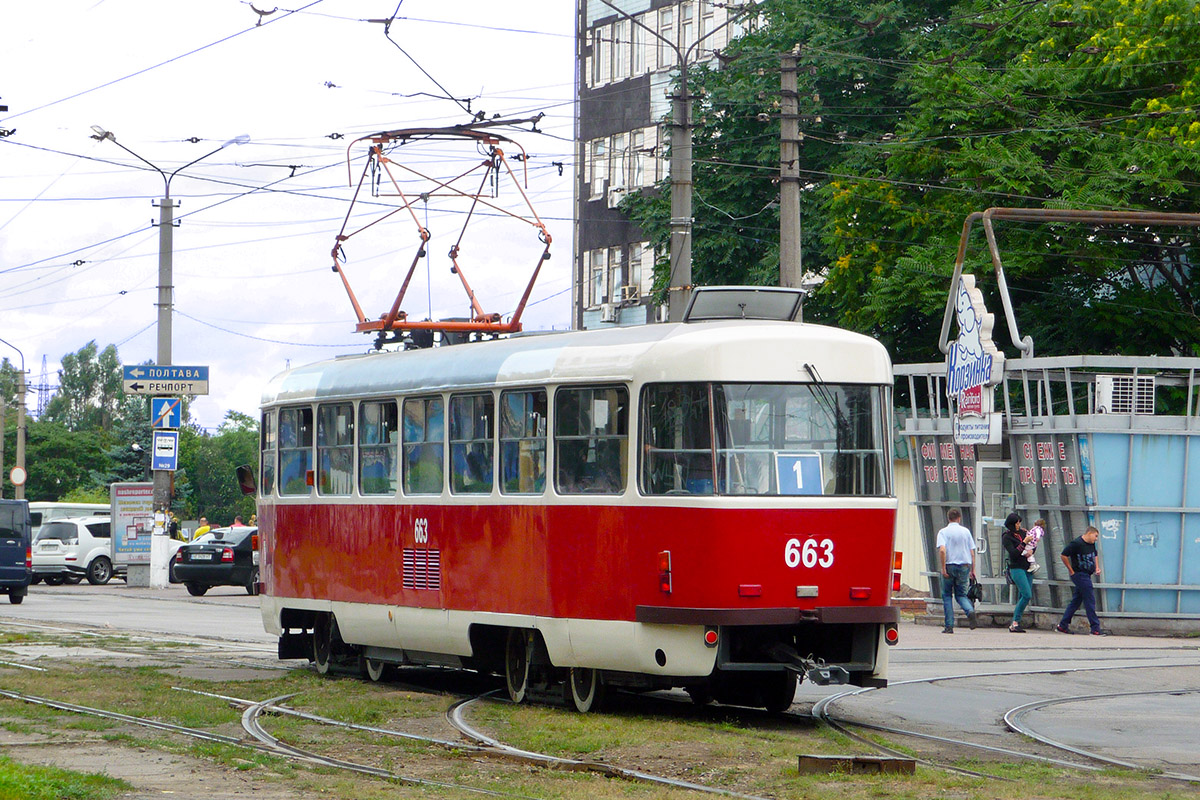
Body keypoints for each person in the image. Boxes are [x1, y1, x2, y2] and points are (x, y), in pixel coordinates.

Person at [1056, 525, 1109, 635]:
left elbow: (1095, 555)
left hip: (1087, 574)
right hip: (1080, 574)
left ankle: (1062, 625)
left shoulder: (1091, 544)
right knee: (1090, 600)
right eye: (1095, 536)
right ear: (1089, 533)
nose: (1096, 539)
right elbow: (1063, 555)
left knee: (1076, 601)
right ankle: (1095, 628)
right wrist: (1071, 570)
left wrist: (1096, 567)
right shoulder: (1076, 543)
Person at [936, 508, 977, 633]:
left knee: (947, 595)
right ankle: (970, 611)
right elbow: (972, 552)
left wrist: (943, 567)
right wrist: (973, 569)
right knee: (961, 595)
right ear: (959, 518)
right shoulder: (966, 532)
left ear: (948, 518)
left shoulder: (943, 532)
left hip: (949, 565)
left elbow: (942, 550)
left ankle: (949, 626)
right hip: (964, 566)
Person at [1001, 512, 1033, 633]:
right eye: (1017, 523)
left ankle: (1016, 621)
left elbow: (1032, 544)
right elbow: (1014, 553)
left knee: (1022, 595)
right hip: (1016, 567)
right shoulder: (1007, 537)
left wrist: (1031, 550)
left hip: (1027, 566)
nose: (1019, 525)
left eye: (1019, 522)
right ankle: (1014, 622)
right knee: (1027, 594)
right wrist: (1024, 542)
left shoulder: (1023, 533)